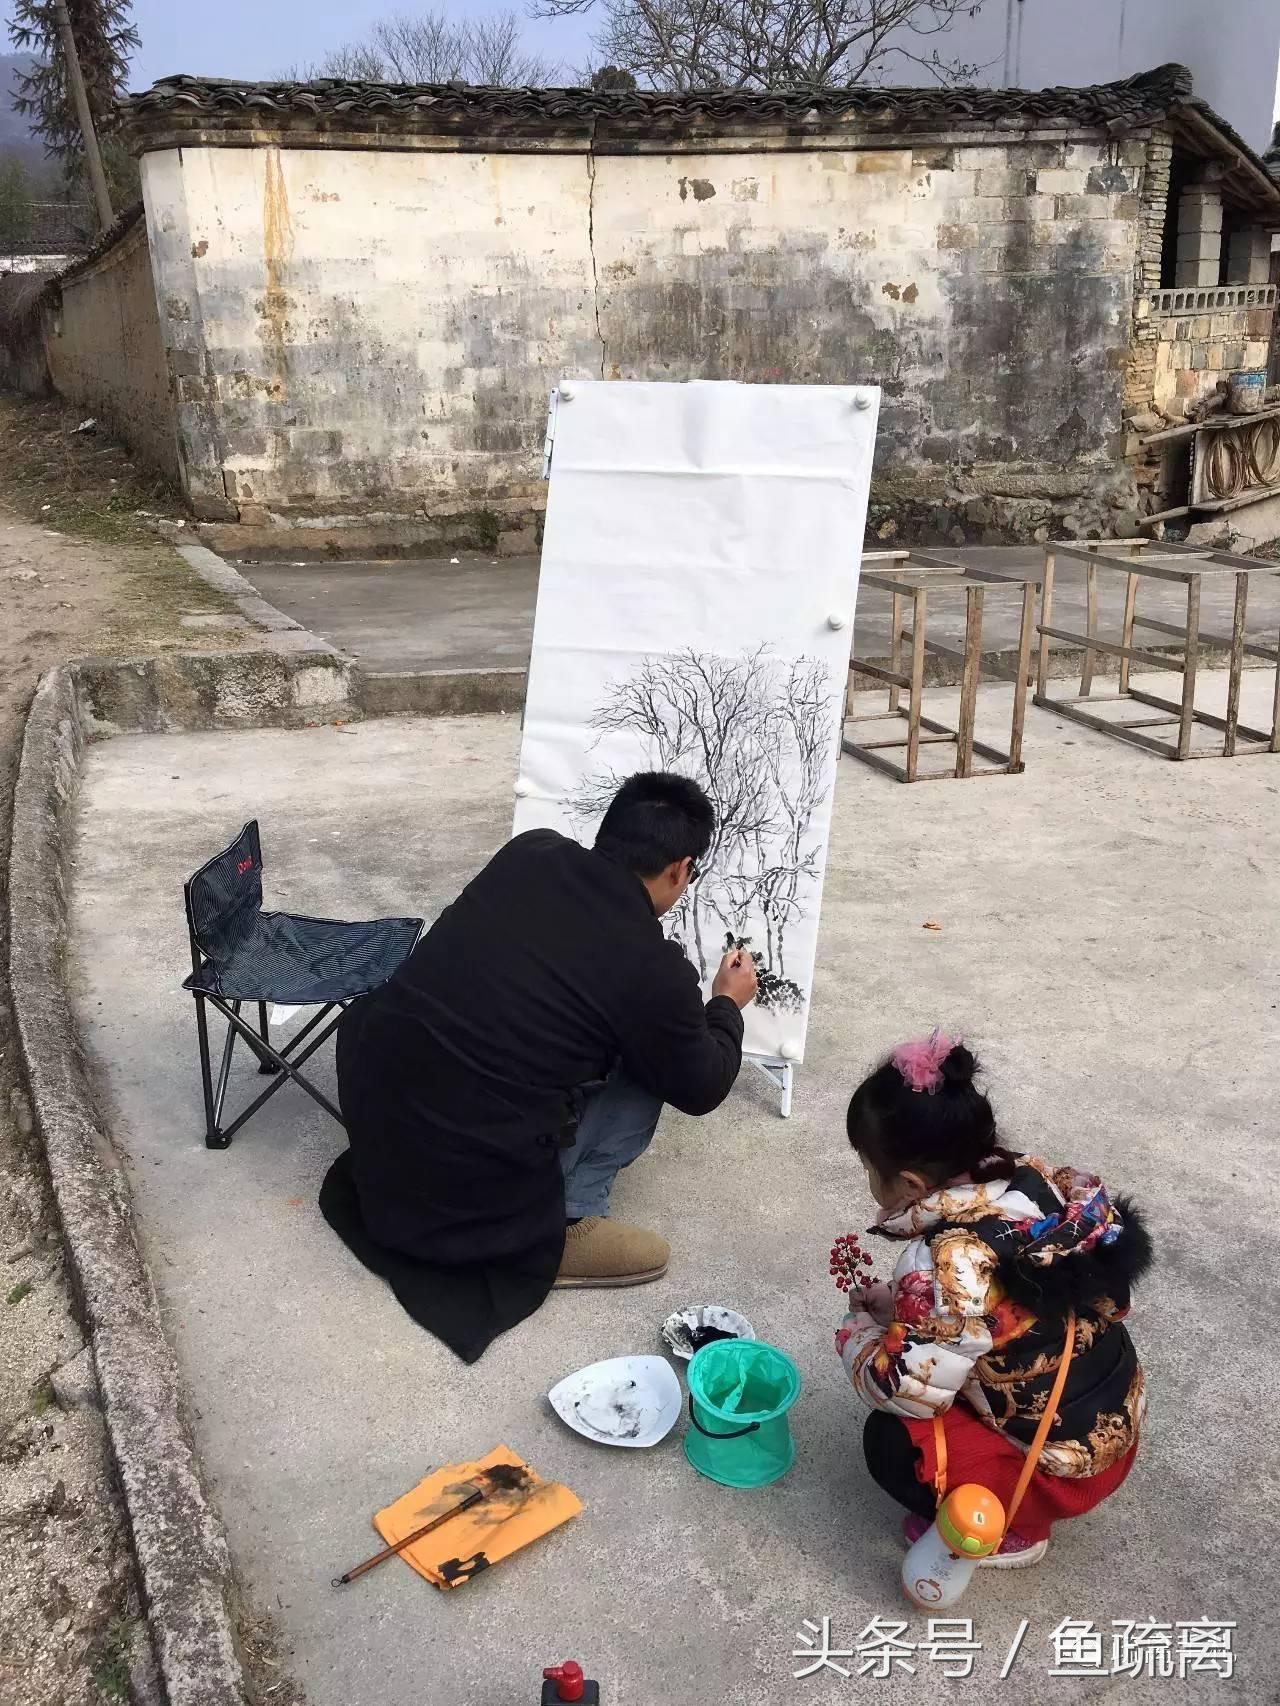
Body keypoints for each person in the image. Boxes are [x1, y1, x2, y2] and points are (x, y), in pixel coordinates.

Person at [320, 771, 757, 1362]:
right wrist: (726, 1003)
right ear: (680, 869)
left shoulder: (530, 852)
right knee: (656, 1062)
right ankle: (565, 1223)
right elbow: (702, 1085)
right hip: (471, 1190)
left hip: (384, 1124)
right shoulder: (652, 970)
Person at [834, 1032, 1151, 1566]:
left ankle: (1010, 1528)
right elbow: (995, 1314)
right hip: (1110, 1433)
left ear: (911, 1183)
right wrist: (905, 1307)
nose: (868, 1178)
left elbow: (906, 1391)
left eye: (868, 1166)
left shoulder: (946, 1259)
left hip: (1055, 1474)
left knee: (889, 1441)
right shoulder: (1036, 1185)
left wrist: (857, 1336)